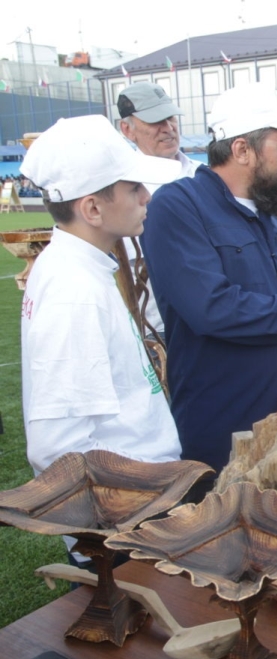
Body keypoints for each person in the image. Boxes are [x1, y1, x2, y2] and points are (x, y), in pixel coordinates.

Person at [140, 83, 277, 496]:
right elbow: (211, 308)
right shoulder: (176, 205)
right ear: (242, 150)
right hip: (223, 434)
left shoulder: (270, 214)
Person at [19, 115, 181, 558]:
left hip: (137, 507)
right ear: (92, 209)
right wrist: (115, 533)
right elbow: (57, 447)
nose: (146, 197)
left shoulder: (76, 270)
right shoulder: (76, 291)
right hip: (124, 525)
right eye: (133, 188)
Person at [117, 82, 201, 339]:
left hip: (214, 320)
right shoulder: (120, 187)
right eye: (155, 121)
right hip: (157, 327)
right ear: (127, 129)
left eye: (171, 118)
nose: (168, 128)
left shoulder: (205, 175)